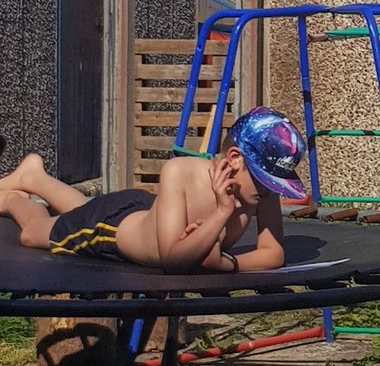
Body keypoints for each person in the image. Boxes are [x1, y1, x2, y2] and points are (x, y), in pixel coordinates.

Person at [0, 107, 308, 274]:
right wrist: (222, 212)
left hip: (141, 212)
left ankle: (34, 176)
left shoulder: (259, 191)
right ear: (235, 159)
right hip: (109, 230)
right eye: (266, 181)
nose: (271, 191)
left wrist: (232, 264)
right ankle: (13, 200)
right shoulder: (181, 172)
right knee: (34, 232)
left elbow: (273, 253)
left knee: (83, 207)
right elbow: (173, 258)